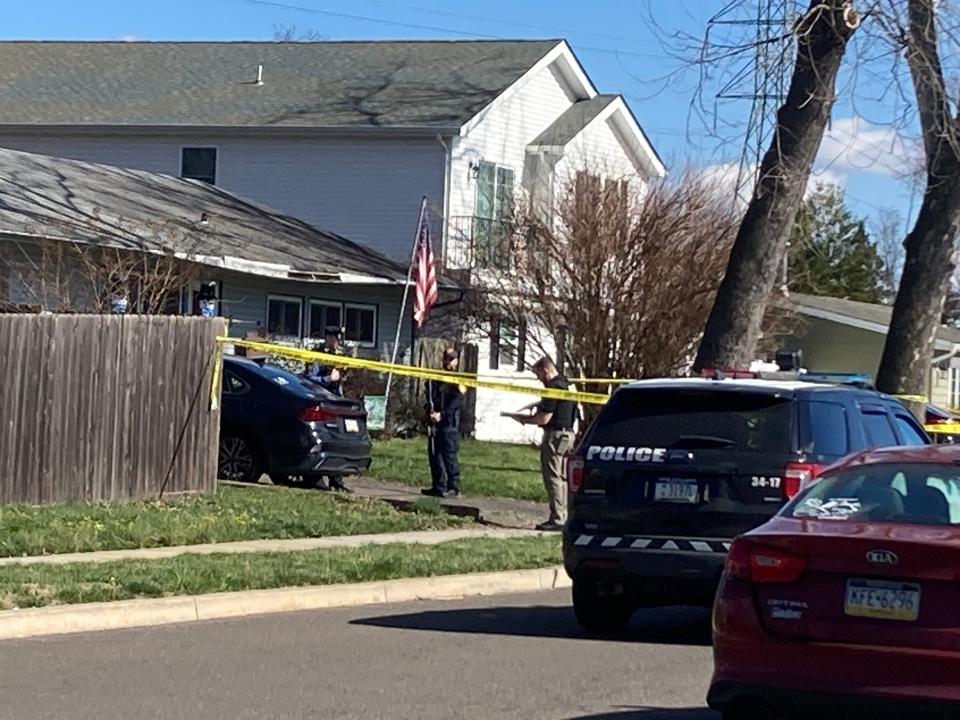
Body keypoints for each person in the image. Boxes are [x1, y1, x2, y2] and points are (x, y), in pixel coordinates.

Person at [507, 357, 577, 531]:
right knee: (562, 478)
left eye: (538, 374)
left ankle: (557, 518)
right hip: (568, 434)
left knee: (552, 476)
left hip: (555, 436)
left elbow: (544, 418)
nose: (539, 379)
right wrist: (539, 404)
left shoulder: (552, 387)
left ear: (546, 371)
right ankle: (564, 515)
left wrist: (523, 419)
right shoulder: (567, 383)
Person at [421, 348, 465, 498]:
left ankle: (454, 487)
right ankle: (438, 486)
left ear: (456, 361)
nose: (447, 362)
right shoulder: (438, 377)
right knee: (434, 454)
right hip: (435, 423)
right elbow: (432, 396)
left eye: (451, 359)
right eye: (446, 358)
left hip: (448, 424)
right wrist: (431, 412)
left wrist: (442, 414)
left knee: (449, 456)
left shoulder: (459, 379)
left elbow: (456, 402)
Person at [305, 326, 345, 397]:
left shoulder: (339, 355)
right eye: (336, 341)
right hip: (320, 394)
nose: (339, 344)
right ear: (329, 338)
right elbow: (310, 377)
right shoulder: (317, 355)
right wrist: (329, 379)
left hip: (336, 395)